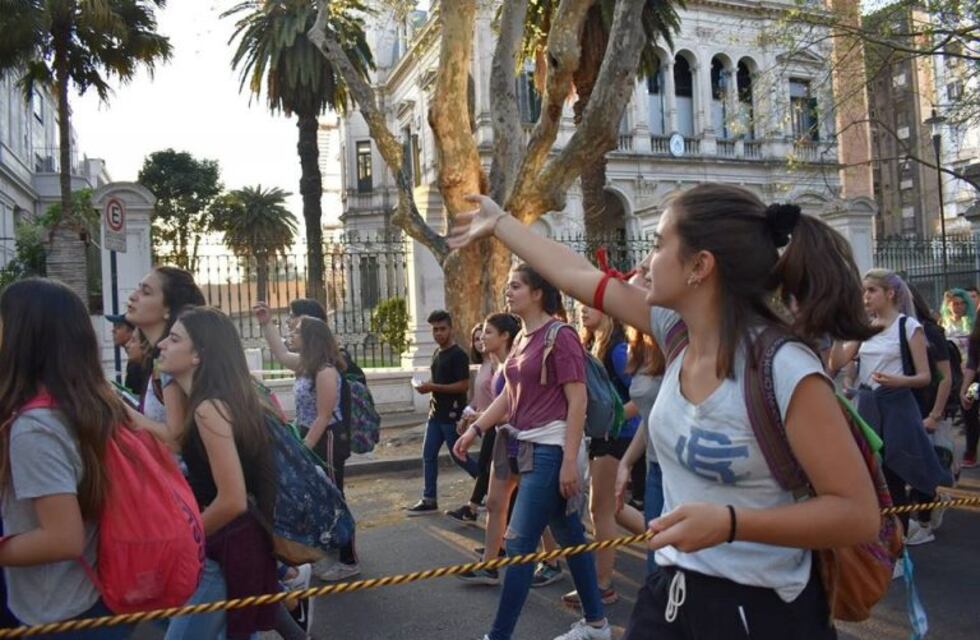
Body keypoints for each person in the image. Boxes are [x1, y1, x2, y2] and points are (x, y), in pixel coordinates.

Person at [451, 185, 882, 639]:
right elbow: (574, 273)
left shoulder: (784, 369)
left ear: (700, 266)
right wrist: (500, 223)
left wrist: (731, 524)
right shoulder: (675, 332)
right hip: (669, 595)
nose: (642, 263)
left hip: (761, 609)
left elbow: (856, 514)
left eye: (657, 245)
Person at [454, 264, 610, 640]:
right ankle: (596, 624)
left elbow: (578, 401)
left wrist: (569, 462)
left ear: (538, 292)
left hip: (550, 451)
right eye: (509, 286)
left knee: (520, 542)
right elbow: (509, 396)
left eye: (516, 286)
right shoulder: (524, 337)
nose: (509, 292)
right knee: (571, 537)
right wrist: (476, 428)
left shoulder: (561, 335)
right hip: (525, 448)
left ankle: (499, 635)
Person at [158, 306, 305, 640]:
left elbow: (233, 500)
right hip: (236, 546)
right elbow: (179, 441)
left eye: (174, 339)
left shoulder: (210, 408)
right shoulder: (214, 402)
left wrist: (184, 539)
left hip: (226, 548)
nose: (162, 345)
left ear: (198, 355)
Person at [0, 278, 133, 639]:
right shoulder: (91, 405)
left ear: (23, 337)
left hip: (59, 613)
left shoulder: (35, 427)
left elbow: (63, 538)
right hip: (93, 601)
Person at [831, 270, 951, 548]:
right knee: (874, 474)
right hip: (869, 404)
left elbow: (925, 376)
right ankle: (888, 540)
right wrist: (839, 334)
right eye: (864, 291)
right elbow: (834, 363)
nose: (866, 297)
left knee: (897, 472)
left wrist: (900, 381)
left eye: (871, 290)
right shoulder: (866, 328)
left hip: (897, 405)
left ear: (890, 293)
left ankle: (897, 547)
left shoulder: (908, 327)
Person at [560, 306, 640, 607]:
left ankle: (603, 585)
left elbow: (642, 395)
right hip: (603, 437)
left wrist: (615, 420)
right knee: (613, 508)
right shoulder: (594, 343)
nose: (581, 311)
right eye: (579, 307)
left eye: (587, 306)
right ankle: (671, 546)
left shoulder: (618, 348)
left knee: (599, 509)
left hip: (617, 438)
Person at [455, 313, 521, 586]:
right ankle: (489, 566)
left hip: (524, 442)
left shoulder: (516, 365)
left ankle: (554, 561)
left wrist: (480, 421)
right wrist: (478, 423)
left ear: (505, 336)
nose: (482, 338)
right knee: (494, 503)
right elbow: (499, 405)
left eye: (489, 333)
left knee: (549, 514)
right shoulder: (499, 364)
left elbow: (520, 410)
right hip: (503, 440)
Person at [123, 266, 206, 447]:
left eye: (146, 292)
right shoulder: (160, 357)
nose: (133, 296)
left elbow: (175, 437)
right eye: (138, 288)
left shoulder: (169, 361)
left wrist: (117, 407)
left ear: (168, 309)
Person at [406, 310, 479, 515]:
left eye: (442, 329)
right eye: (435, 330)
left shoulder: (458, 355)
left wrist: (433, 387)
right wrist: (427, 387)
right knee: (428, 455)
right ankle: (429, 498)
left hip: (451, 415)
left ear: (451, 329)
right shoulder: (437, 353)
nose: (438, 333)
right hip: (435, 414)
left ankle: (486, 487)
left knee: (458, 454)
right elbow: (437, 382)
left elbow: (463, 386)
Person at [614, 326, 667, 574]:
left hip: (678, 469)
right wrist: (626, 462)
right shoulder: (636, 350)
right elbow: (650, 417)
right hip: (654, 466)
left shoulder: (675, 345)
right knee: (656, 560)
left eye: (647, 283)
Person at [447, 322, 496, 523]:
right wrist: (466, 417)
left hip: (495, 424)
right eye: (476, 339)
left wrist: (479, 419)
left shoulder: (496, 365)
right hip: (484, 423)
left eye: (483, 336)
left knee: (486, 468)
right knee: (488, 469)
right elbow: (476, 398)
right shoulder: (483, 366)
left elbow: (500, 399)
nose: (480, 341)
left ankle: (473, 508)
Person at [106, 313, 149, 395]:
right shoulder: (133, 361)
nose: (113, 330)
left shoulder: (136, 365)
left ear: (132, 331)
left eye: (118, 327)